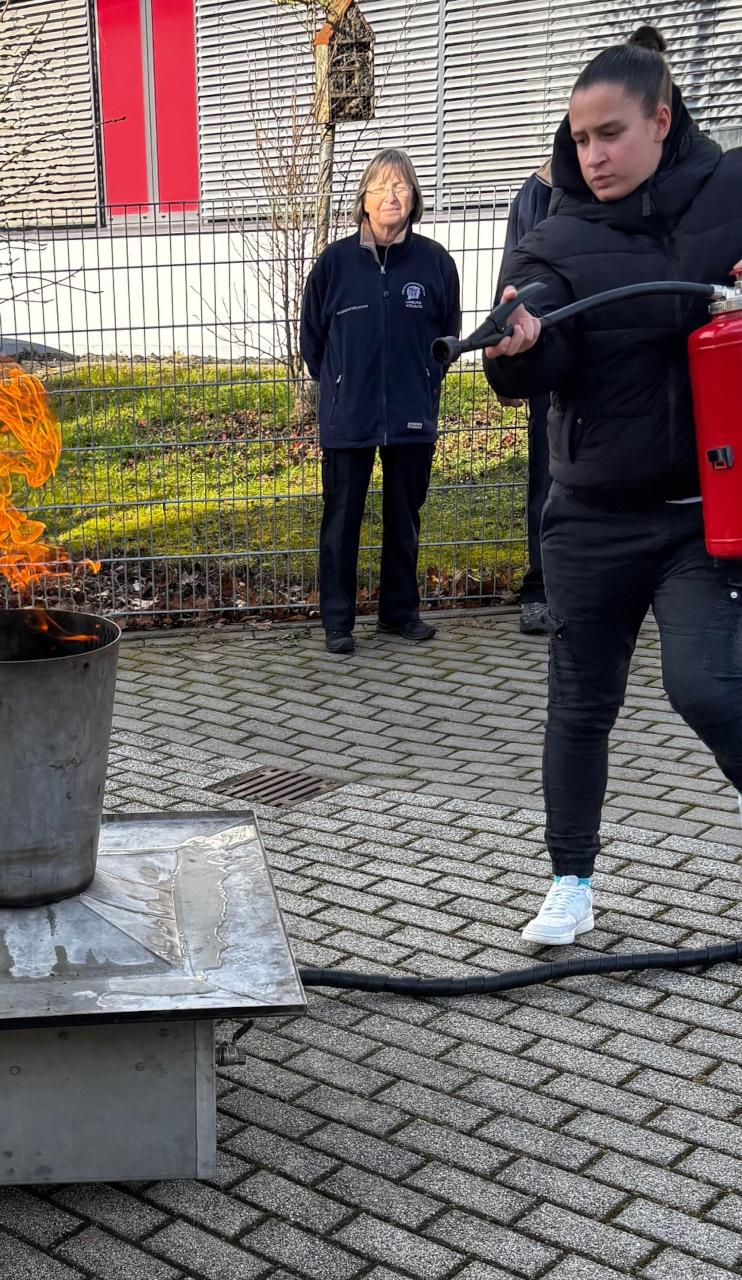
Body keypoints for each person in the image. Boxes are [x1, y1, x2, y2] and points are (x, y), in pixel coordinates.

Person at [483, 26, 742, 945]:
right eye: (579, 137)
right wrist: (519, 339)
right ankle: (570, 883)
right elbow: (530, 338)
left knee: (711, 689)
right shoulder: (554, 231)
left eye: (610, 134)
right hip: (589, 518)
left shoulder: (730, 192)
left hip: (699, 520)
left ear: (661, 121)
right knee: (579, 703)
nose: (591, 155)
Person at [301, 149, 461, 655]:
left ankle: (399, 612)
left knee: (404, 515)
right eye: (381, 187)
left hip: (412, 412)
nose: (392, 196)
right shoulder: (335, 263)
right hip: (349, 414)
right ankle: (337, 622)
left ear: (414, 198)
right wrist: (342, 385)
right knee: (342, 516)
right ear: (363, 201)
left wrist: (424, 380)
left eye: (402, 187)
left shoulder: (435, 262)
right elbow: (313, 342)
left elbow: (447, 339)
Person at [499, 160, 554, 635]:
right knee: (547, 477)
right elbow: (511, 279)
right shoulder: (535, 194)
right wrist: (509, 368)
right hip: (548, 364)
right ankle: (539, 589)